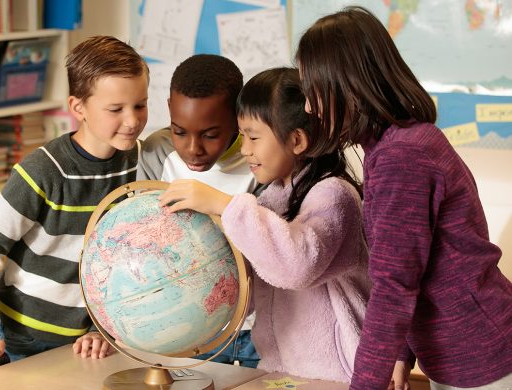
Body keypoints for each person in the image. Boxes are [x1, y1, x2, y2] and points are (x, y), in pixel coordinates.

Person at [296, 6, 512, 390]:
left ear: (348, 85)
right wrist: (400, 354)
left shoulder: (403, 156)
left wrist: (364, 384)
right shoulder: (396, 144)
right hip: (459, 355)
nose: (310, 107)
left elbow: (395, 284)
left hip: (481, 356)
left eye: (314, 91)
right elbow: (413, 261)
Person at [157, 67, 371, 382]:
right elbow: (252, 289)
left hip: (337, 375)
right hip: (282, 372)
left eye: (253, 137)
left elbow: (296, 266)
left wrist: (223, 204)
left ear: (296, 140)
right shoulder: (271, 200)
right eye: (242, 136)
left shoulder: (334, 195)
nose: (245, 149)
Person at [0, 35, 149, 371]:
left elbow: (126, 262)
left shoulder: (141, 163)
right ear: (78, 108)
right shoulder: (42, 171)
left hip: (95, 339)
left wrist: (101, 329)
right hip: (25, 337)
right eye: (116, 109)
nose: (132, 120)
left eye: (140, 104)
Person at [137, 54, 260, 368]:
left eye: (209, 134)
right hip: (187, 329)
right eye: (180, 131)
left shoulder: (259, 160)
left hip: (254, 329)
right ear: (169, 109)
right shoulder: (157, 153)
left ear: (237, 115)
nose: (193, 149)